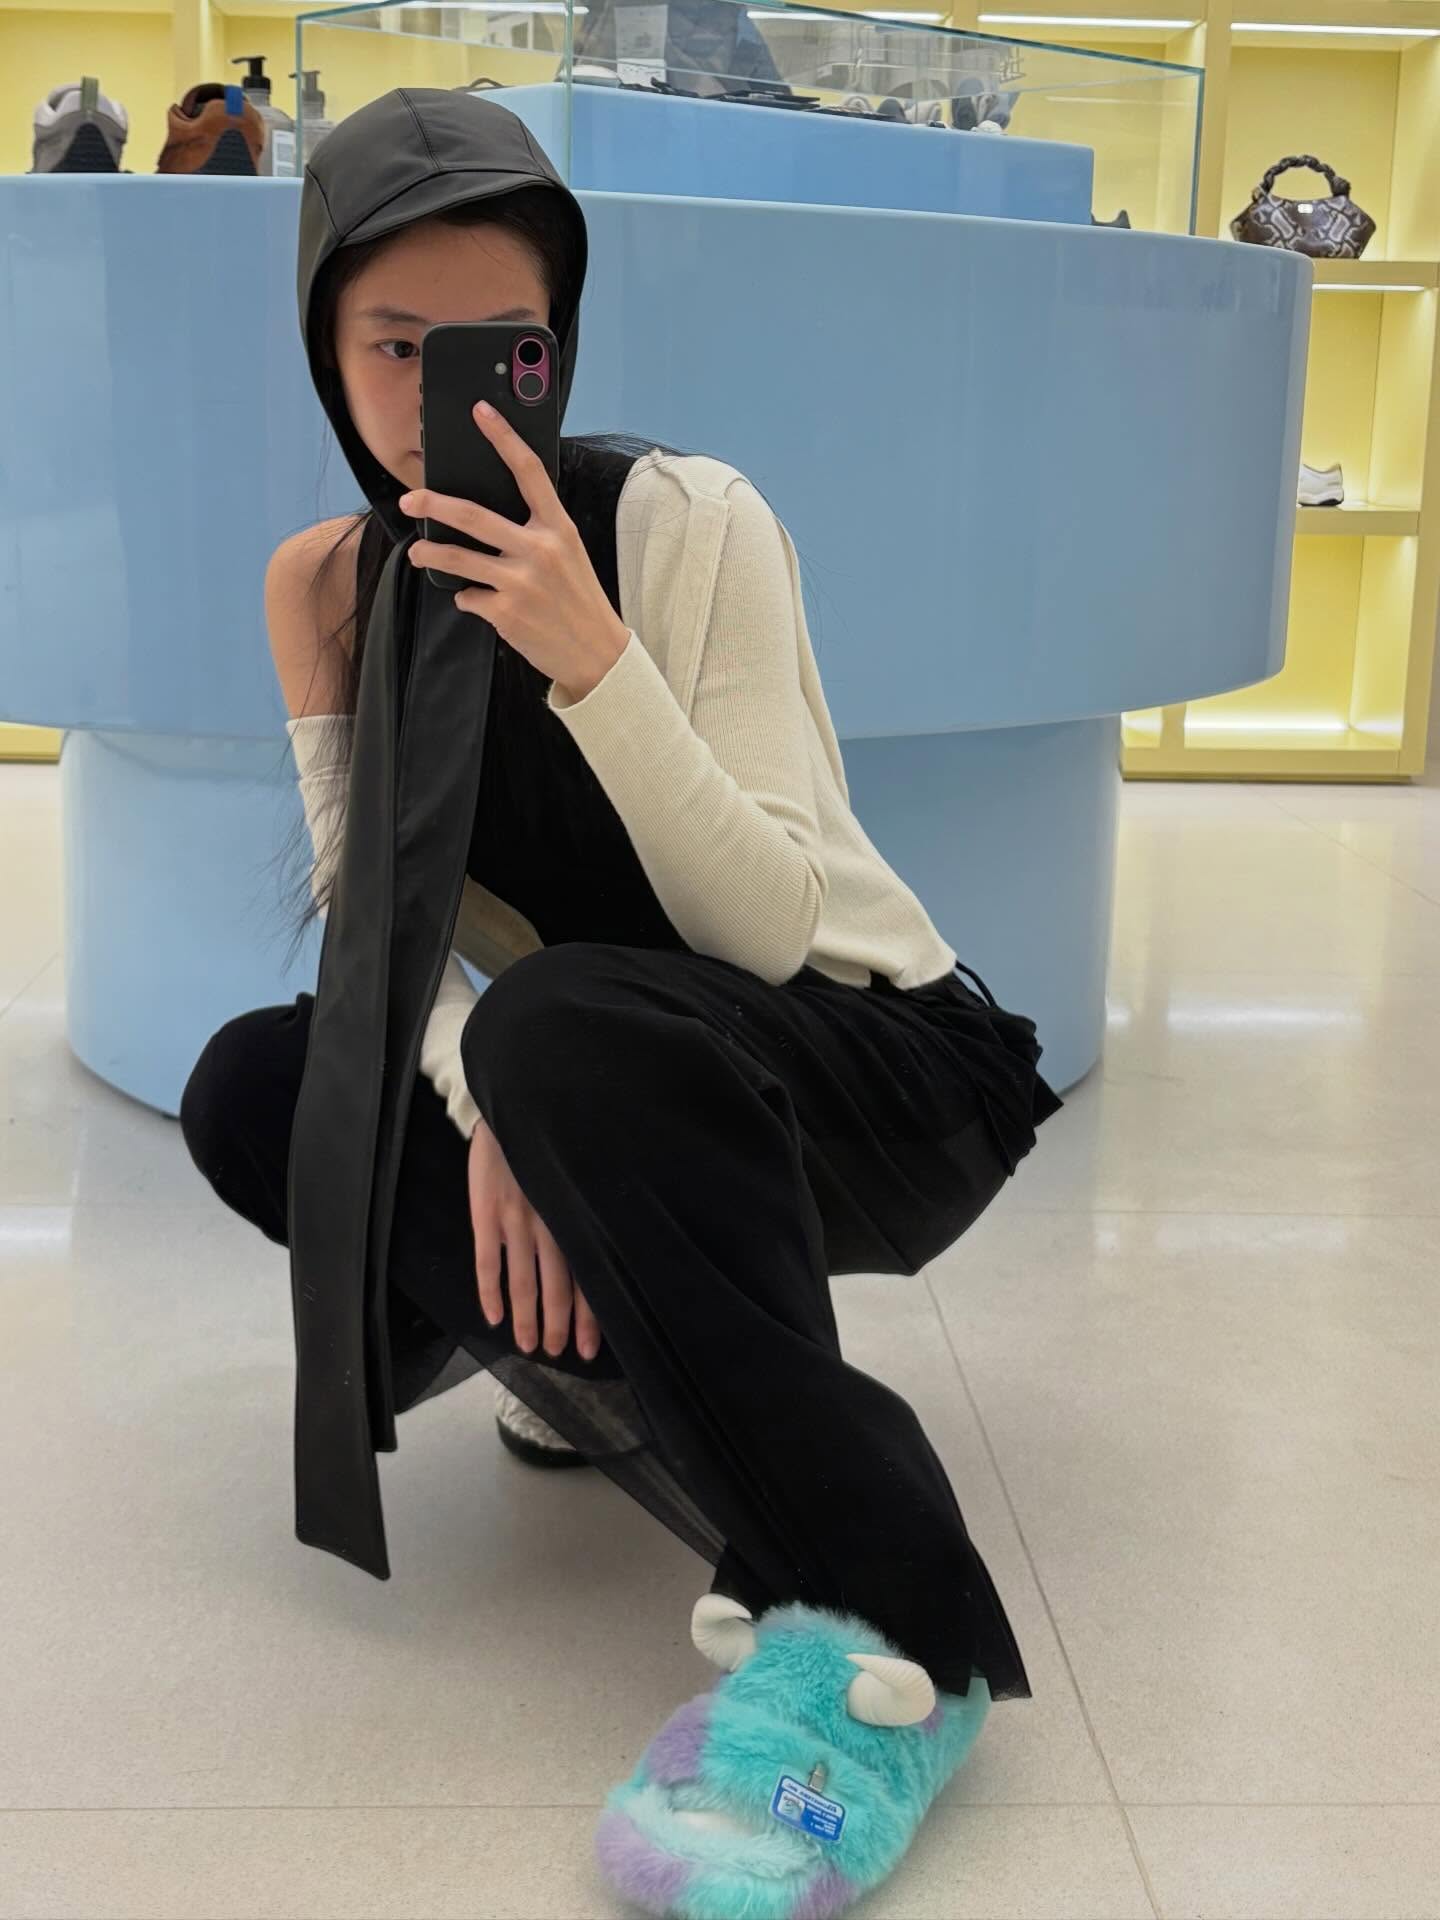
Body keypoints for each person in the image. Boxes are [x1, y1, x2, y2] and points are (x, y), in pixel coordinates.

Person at [179, 85, 1062, 1915]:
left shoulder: (684, 522)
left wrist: (590, 654)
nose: (445, 391)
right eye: (393, 345)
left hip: (872, 1072)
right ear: (321, 346)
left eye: (496, 347)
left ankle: (891, 1614)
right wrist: (491, 1101)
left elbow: (770, 926)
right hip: (586, 1079)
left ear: (557, 342)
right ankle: (602, 1355)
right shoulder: (322, 589)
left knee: (553, 1023)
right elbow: (376, 937)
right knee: (261, 1085)